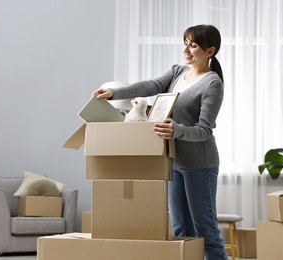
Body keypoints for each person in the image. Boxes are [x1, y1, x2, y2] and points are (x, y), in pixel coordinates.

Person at [95, 24, 227, 260]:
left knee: (205, 230)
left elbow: (204, 130)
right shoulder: (178, 72)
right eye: (185, 43)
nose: (186, 49)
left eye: (193, 45)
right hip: (175, 161)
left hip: (200, 165)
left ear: (210, 51)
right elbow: (151, 86)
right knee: (180, 230)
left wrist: (176, 129)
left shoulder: (212, 84)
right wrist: (115, 93)